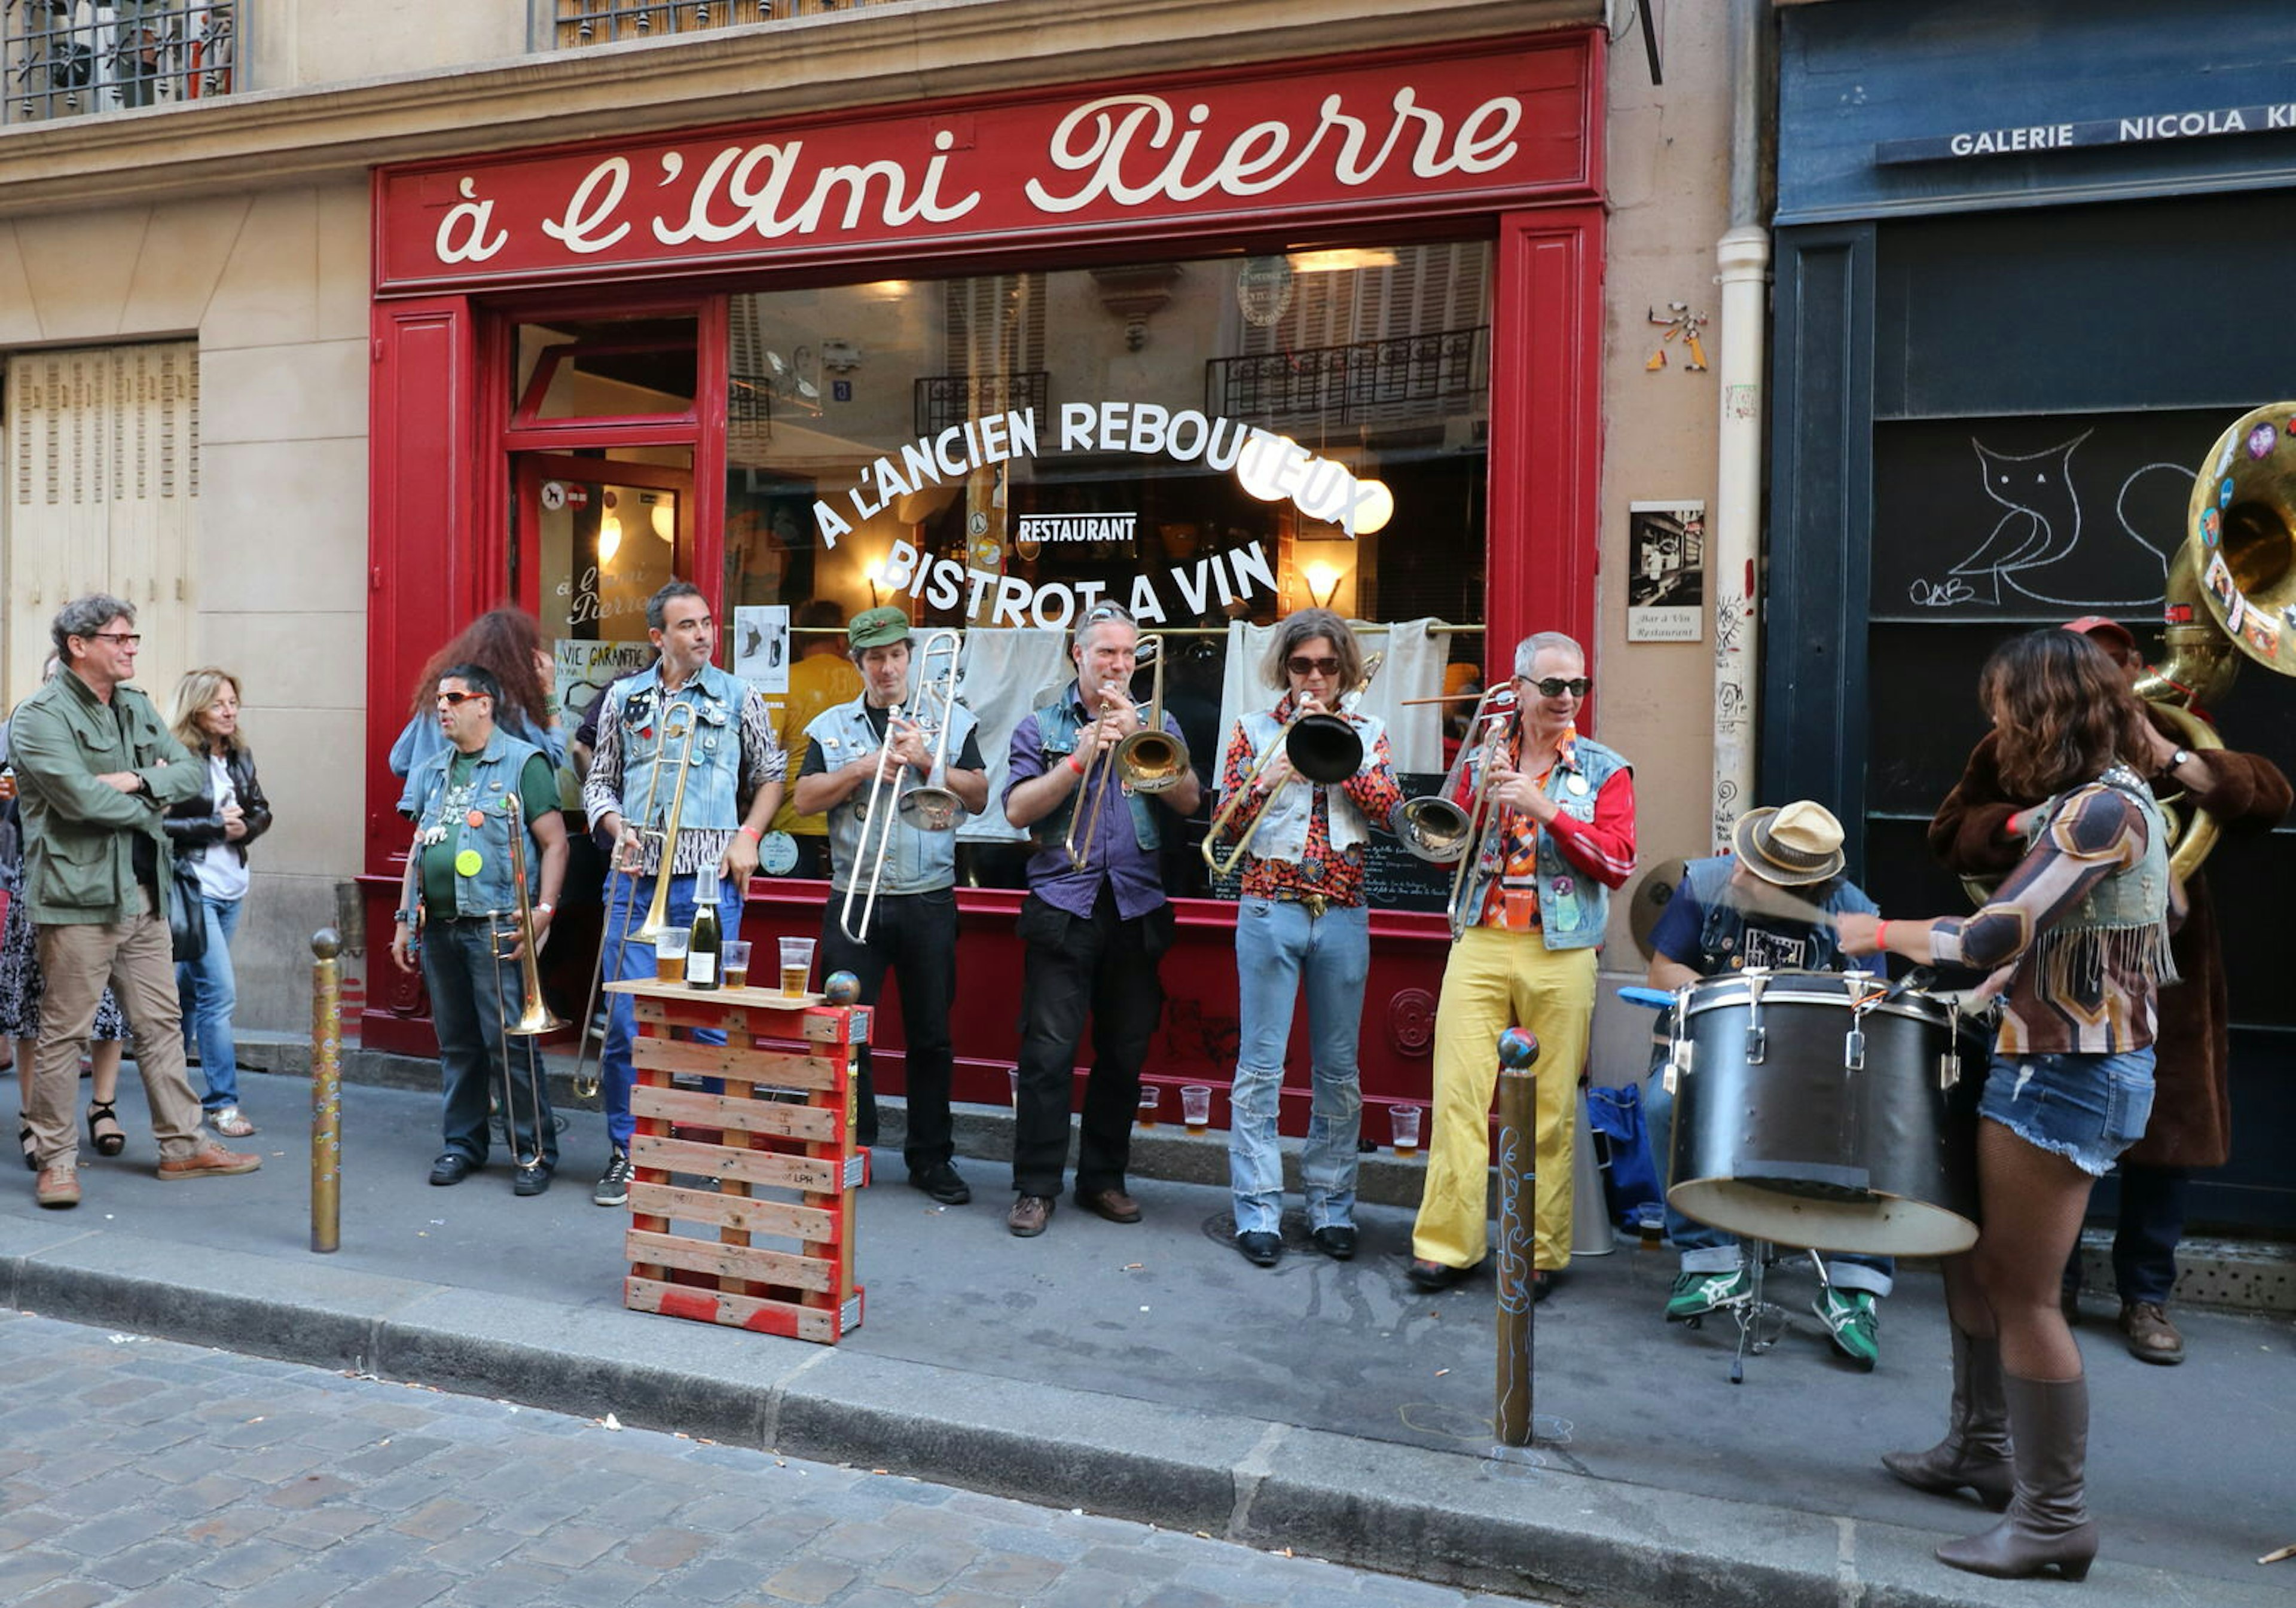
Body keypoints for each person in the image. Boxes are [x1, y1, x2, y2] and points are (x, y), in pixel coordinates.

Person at [1840, 628, 2182, 1582]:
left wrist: (1874, 931)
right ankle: (1981, 1450)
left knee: (2025, 1294)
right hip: (2055, 1056)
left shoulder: (2099, 810)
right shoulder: (2100, 805)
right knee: (1976, 1262)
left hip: (2069, 1073)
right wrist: (1992, 997)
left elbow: (1994, 929)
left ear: (2045, 714)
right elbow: (2108, 934)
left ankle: (2053, 1519)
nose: (1993, 723)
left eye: (2004, 708)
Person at [1928, 616, 2289, 1366]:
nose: (2117, 672)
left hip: (2165, 972)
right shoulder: (2014, 745)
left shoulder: (2161, 737)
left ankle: (2144, 1294)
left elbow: (2268, 799)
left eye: (2124, 659)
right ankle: (2048, 1289)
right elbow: (1952, 833)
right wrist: (2033, 820)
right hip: (2059, 967)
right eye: (2101, 660)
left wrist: (2174, 757)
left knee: (2167, 1145)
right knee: (2043, 1179)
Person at [9, 594, 261, 1208]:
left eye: (133, 638)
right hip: (76, 899)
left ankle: (181, 1143)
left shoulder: (137, 705)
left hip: (144, 893)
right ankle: (56, 1157)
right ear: (79, 644)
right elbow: (78, 801)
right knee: (63, 1035)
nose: (131, 648)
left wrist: (137, 781)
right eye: (120, 638)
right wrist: (152, 799)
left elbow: (188, 775)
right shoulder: (38, 717)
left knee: (161, 1025)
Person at [1409, 632, 1635, 1297]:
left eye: (1578, 687)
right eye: (1554, 686)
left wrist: (1548, 811)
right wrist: (1472, 801)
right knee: (1457, 1094)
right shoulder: (1486, 752)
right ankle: (1448, 1244)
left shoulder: (1605, 768)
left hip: (1561, 947)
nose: (1568, 699)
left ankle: (1536, 1249)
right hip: (1481, 934)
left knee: (1549, 1108)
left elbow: (1619, 863)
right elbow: (1440, 842)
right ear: (1519, 688)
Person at [1641, 800, 1896, 1368]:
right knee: (1662, 1104)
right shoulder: (1703, 884)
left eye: (1754, 872)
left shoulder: (1854, 914)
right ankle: (1711, 1261)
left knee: (1876, 1120)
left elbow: (1875, 1007)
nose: (1736, 871)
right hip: (1711, 1053)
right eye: (1744, 857)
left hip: (1813, 1071)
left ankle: (1855, 1286)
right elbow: (1663, 971)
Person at [1205, 609, 1403, 1267]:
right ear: (1283, 668)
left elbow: (1391, 812)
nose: (1314, 677)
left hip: (1343, 911)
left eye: (1326, 665)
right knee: (1260, 1069)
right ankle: (1257, 1208)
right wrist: (1271, 768)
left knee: (1339, 1072)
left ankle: (1330, 1206)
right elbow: (1224, 827)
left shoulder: (1370, 732)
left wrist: (1337, 746)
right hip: (1269, 907)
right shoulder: (1252, 731)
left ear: (1344, 668)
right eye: (1301, 665)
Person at [1001, 603, 1204, 1237]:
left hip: (1136, 905)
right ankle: (1036, 1186)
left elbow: (1190, 798)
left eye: (1128, 653)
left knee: (1123, 1054)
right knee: (1047, 1054)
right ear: (1077, 655)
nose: (1119, 665)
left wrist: (1144, 734)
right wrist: (1078, 758)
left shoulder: (1158, 718)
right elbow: (1015, 811)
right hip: (1065, 905)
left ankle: (1103, 1180)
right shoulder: (1040, 724)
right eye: (1106, 653)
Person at [581, 581, 785, 1207]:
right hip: (636, 882)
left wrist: (749, 834)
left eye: (707, 623)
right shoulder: (622, 697)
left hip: (706, 883)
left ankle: (717, 1149)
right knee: (623, 1026)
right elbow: (599, 784)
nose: (703, 634)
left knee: (709, 1027)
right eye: (688, 625)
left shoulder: (740, 694)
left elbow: (772, 774)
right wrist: (617, 828)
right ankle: (630, 1150)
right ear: (657, 637)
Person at [790, 606, 987, 1204]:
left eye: (897, 654)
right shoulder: (830, 726)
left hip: (928, 897)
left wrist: (927, 758)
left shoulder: (951, 718)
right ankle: (854, 1147)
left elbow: (979, 797)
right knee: (848, 1035)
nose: (887, 666)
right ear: (859, 663)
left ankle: (932, 1156)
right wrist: (861, 767)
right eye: (875, 656)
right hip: (856, 897)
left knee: (932, 1035)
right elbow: (802, 799)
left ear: (910, 656)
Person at [389, 664, 570, 1196]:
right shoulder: (430, 772)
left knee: (509, 1043)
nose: (442, 708)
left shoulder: (523, 763)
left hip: (497, 925)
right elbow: (418, 854)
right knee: (458, 1045)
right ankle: (462, 1144)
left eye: (454, 698)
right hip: (441, 927)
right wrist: (404, 920)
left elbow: (556, 842)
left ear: (484, 704)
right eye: (439, 700)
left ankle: (533, 1150)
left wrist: (544, 909)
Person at [2, 658, 135, 1170]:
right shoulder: (20, 731)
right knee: (34, 1007)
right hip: (39, 884)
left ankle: (103, 1107)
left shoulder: (119, 731)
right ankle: (32, 1116)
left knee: (107, 1005)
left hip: (103, 886)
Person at [163, 668, 273, 1140]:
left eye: (233, 702)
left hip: (233, 887)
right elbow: (156, 825)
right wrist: (214, 825)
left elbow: (262, 809)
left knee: (189, 989)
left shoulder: (240, 755)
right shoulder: (175, 758)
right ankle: (222, 1104)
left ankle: (167, 1084)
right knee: (219, 994)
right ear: (195, 709)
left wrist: (245, 828)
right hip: (194, 888)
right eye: (219, 704)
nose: (229, 711)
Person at [389, 607, 567, 815]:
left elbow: (399, 762)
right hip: (484, 818)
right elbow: (550, 759)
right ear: (520, 657)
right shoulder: (503, 704)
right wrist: (549, 689)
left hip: (432, 814)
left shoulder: (437, 701)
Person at [772, 600, 865, 880]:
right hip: (857, 816)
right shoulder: (865, 679)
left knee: (794, 920)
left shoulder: (783, 680)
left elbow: (768, 751)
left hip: (793, 817)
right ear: (841, 640)